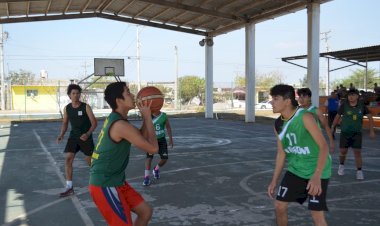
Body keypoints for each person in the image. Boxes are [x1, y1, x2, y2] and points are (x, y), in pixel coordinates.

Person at [89, 82, 158, 226]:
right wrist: (147, 118)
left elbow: (140, 136)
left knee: (145, 212)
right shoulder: (120, 125)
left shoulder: (118, 119)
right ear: (118, 100)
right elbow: (153, 149)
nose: (133, 96)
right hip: (105, 184)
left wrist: (147, 117)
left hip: (116, 181)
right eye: (128, 93)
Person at [267, 84, 331, 226]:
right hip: (296, 170)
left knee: (316, 215)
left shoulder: (305, 117)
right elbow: (281, 153)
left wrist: (316, 176)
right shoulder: (278, 124)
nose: (272, 102)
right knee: (279, 206)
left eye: (275, 98)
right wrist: (274, 180)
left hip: (317, 169)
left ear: (288, 101)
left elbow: (324, 147)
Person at [57, 84, 97, 197]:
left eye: (78, 93)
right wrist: (61, 134)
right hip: (73, 137)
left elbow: (94, 123)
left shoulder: (86, 107)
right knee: (68, 159)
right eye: (73, 93)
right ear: (69, 95)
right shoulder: (67, 108)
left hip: (85, 137)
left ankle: (99, 183)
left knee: (91, 163)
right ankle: (69, 187)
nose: (76, 95)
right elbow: (65, 123)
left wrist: (88, 133)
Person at [331, 88, 376, 180]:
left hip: (357, 133)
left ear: (357, 96)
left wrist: (372, 130)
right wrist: (332, 127)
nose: (351, 97)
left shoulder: (362, 106)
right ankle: (341, 165)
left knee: (357, 152)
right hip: (345, 133)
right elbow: (337, 117)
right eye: (349, 95)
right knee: (343, 151)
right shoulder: (344, 105)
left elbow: (370, 118)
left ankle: (359, 171)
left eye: (353, 95)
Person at [143, 110, 174, 186]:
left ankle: (156, 169)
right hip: (151, 141)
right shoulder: (149, 116)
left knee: (164, 158)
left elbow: (168, 127)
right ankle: (146, 177)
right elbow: (145, 129)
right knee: (149, 157)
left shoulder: (164, 115)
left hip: (161, 140)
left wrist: (170, 139)